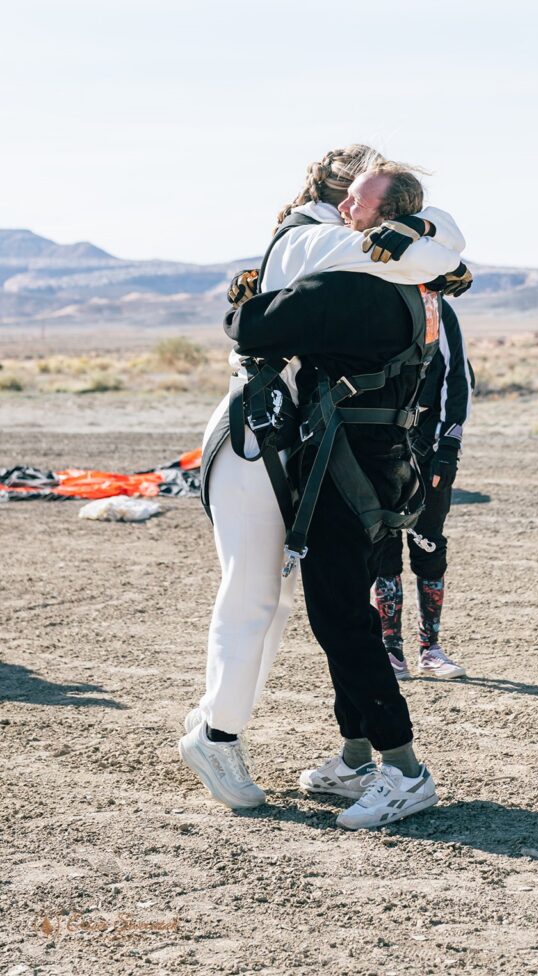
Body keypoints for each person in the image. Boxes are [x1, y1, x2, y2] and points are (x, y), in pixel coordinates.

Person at [178, 147, 467, 811]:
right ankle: (325, 751)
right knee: (315, 603)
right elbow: (446, 258)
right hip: (341, 454)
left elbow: (246, 326)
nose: (346, 212)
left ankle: (382, 764)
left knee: (330, 611)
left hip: (322, 457)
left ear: (377, 214)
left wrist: (250, 303)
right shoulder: (370, 267)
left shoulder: (343, 270)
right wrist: (428, 235)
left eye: (359, 203)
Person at [374, 296, 473, 680]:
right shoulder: (369, 299)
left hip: (428, 449)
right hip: (377, 449)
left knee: (429, 545)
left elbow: (456, 378)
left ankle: (430, 650)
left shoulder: (435, 306)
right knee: (382, 549)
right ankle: (389, 651)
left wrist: (449, 447)